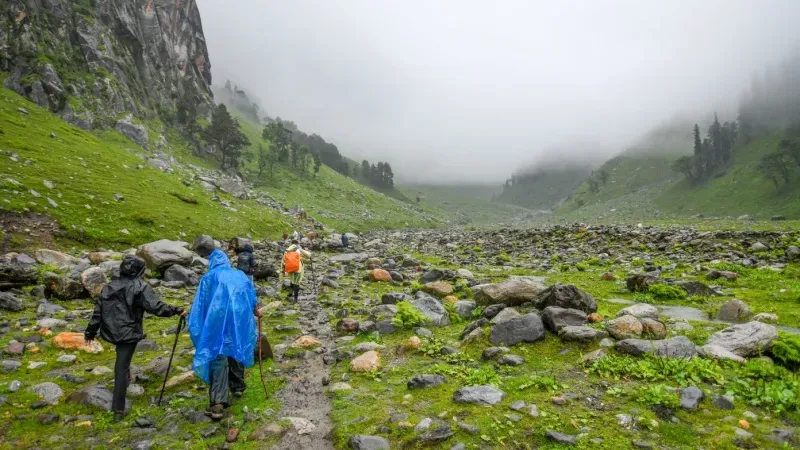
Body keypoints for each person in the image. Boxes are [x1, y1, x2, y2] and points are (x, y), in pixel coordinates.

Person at [84, 255, 186, 422]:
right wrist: (176, 310)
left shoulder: (109, 286)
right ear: (139, 271)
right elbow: (155, 307)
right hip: (128, 332)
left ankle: (127, 380)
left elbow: (98, 312)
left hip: (111, 330)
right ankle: (118, 409)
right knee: (121, 367)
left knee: (122, 361)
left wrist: (90, 332)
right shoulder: (140, 286)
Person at [189, 240, 262, 420]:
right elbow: (250, 294)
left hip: (217, 321)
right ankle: (238, 386)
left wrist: (197, 325)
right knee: (236, 347)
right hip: (238, 319)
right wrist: (255, 310)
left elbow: (200, 305)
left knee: (218, 355)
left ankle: (218, 404)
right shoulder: (239, 275)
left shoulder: (209, 278)